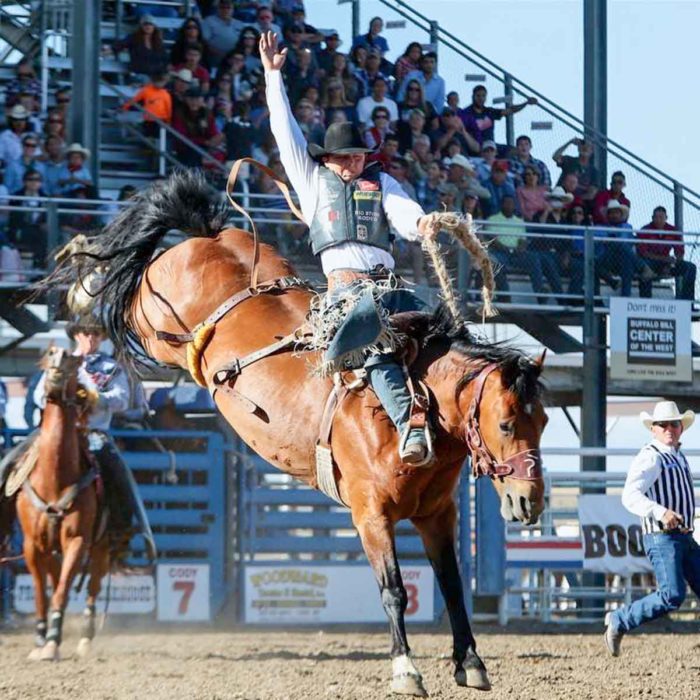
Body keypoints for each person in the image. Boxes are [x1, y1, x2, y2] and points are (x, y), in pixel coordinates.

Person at [260, 31, 440, 465]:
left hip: (392, 287)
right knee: (373, 343)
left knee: (443, 331)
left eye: (358, 156)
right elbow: (284, 132)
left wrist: (421, 224)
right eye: (345, 156)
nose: (353, 162)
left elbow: (403, 211)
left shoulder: (382, 184)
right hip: (346, 295)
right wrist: (272, 77)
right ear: (327, 159)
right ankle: (409, 424)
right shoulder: (310, 181)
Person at [31, 314, 156, 562]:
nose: (92, 338)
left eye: (97, 334)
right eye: (87, 333)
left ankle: (124, 531)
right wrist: (55, 392)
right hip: (54, 433)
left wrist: (94, 398)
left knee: (119, 475)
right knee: (14, 464)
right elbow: (37, 397)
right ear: (76, 335)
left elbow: (121, 400)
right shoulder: (59, 362)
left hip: (94, 435)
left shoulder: (110, 368)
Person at [604, 401, 699, 657]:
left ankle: (621, 620)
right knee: (672, 595)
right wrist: (660, 512)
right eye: (664, 425)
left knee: (675, 594)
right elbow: (629, 495)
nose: (669, 429)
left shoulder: (676, 455)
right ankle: (620, 619)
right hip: (662, 537)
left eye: (674, 424)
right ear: (654, 429)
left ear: (681, 428)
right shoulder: (651, 456)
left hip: (683, 536)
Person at [637, 206, 696, 300]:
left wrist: (675, 261)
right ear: (652, 218)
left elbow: (679, 250)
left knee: (690, 268)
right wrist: (664, 259)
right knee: (645, 268)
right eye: (656, 217)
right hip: (651, 262)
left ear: (666, 218)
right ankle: (646, 301)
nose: (658, 220)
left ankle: (687, 301)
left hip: (667, 264)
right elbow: (643, 253)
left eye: (661, 217)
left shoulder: (672, 230)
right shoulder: (645, 230)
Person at [460, 85, 537, 150]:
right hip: (474, 146)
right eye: (478, 96)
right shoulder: (466, 113)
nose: (481, 98)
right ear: (473, 96)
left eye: (483, 96)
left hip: (491, 146)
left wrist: (526, 103)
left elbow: (510, 110)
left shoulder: (489, 111)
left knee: (512, 150)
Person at [113, 14, 168, 79]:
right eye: (145, 24)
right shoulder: (134, 38)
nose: (148, 26)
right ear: (141, 26)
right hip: (138, 74)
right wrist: (110, 50)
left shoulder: (158, 42)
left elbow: (164, 58)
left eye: (150, 24)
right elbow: (119, 45)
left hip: (154, 75)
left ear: (154, 27)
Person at [122, 72, 173, 138]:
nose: (159, 84)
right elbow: (135, 100)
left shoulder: (166, 94)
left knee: (159, 138)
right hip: (148, 120)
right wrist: (124, 107)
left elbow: (168, 108)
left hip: (160, 120)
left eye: (161, 81)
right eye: (157, 81)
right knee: (147, 137)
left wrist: (168, 120)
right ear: (153, 81)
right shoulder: (146, 90)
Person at [552, 137, 600, 204]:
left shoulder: (593, 171)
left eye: (588, 146)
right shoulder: (569, 161)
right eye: (583, 144)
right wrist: (569, 142)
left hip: (578, 204)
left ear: (592, 151)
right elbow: (555, 157)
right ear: (578, 148)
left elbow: (591, 194)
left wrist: (575, 200)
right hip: (561, 199)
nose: (585, 147)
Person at [201, 0, 245, 68]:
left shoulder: (239, 24)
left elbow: (243, 42)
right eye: (222, 7)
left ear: (233, 9)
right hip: (215, 57)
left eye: (228, 7)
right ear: (218, 8)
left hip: (235, 58)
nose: (225, 10)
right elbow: (205, 42)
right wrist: (222, 54)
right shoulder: (209, 21)